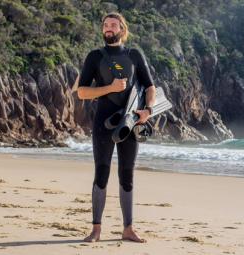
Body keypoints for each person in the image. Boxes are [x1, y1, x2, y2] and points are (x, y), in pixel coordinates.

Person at [76, 12, 156, 243]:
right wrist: (109, 88)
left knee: (127, 175)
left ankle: (128, 229)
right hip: (104, 122)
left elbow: (150, 86)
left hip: (130, 122)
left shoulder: (134, 55)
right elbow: (82, 91)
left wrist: (147, 110)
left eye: (113, 24)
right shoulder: (95, 56)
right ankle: (96, 229)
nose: (108, 28)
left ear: (123, 29)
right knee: (101, 173)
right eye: (105, 25)